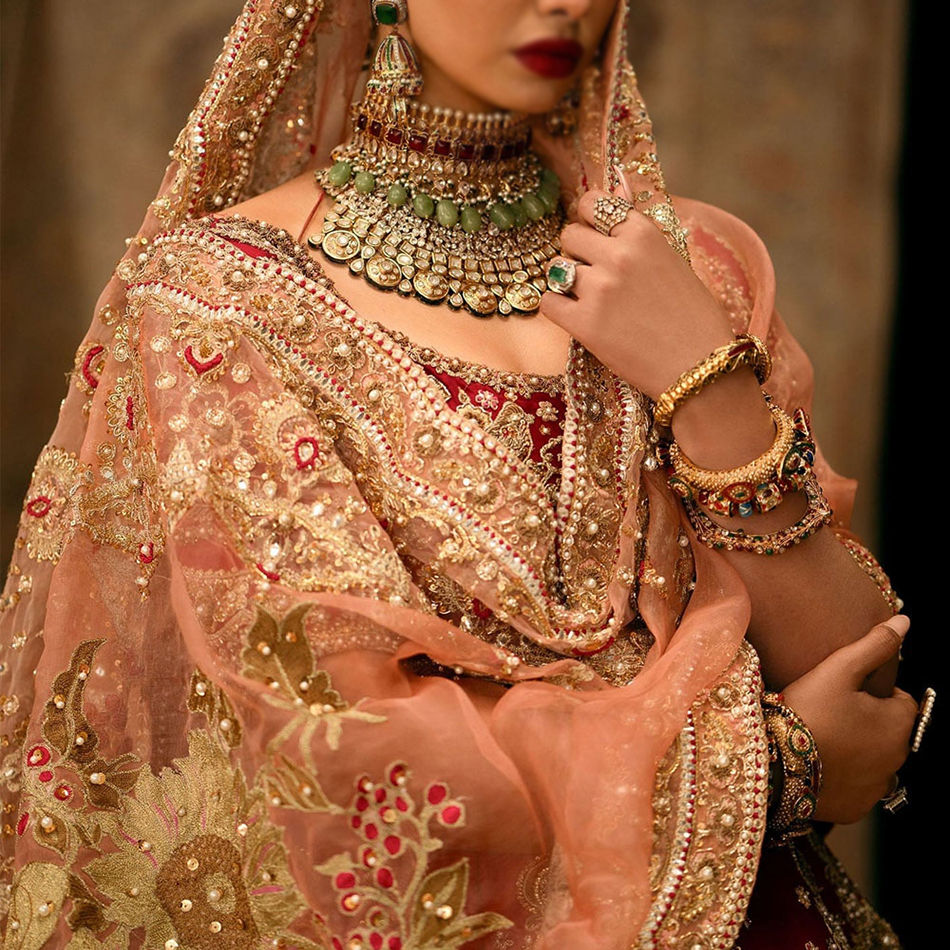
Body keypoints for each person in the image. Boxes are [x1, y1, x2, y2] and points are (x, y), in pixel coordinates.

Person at [0, 1, 921, 947]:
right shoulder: (223, 303)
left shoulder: (685, 267)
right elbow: (340, 751)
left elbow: (865, 681)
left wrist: (707, 387)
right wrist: (775, 769)